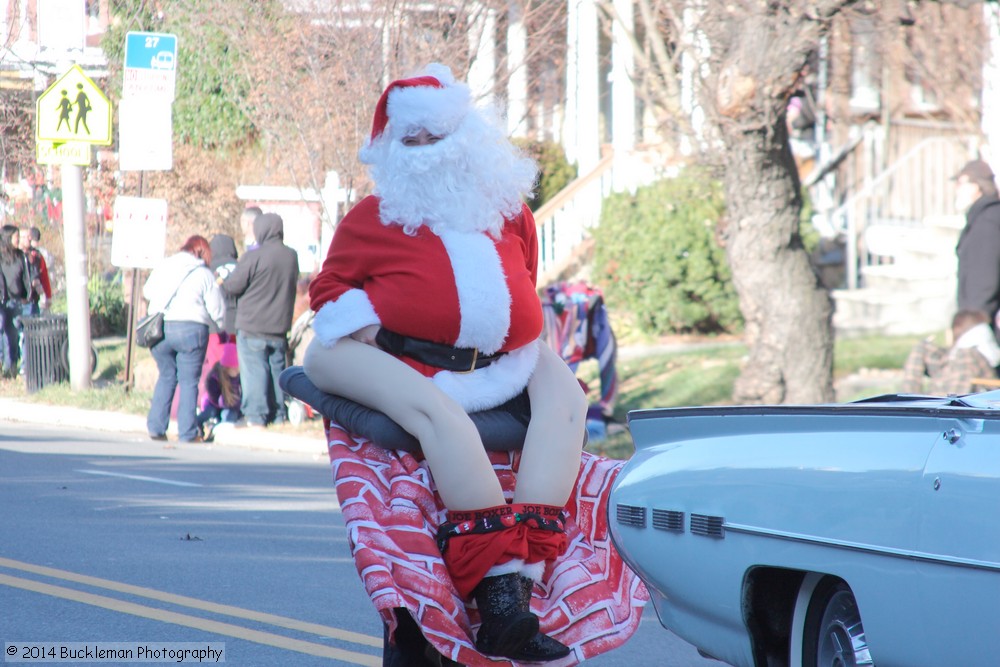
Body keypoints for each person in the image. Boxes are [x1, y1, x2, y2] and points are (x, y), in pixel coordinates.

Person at [302, 64, 586, 662]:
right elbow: (328, 291)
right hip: (399, 359)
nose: (427, 152)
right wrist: (381, 334)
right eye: (412, 141)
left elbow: (524, 283)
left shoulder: (510, 214)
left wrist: (504, 336)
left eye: (438, 138)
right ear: (391, 149)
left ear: (467, 137)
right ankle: (498, 597)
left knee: (569, 399)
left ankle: (519, 589)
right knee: (440, 419)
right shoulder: (372, 217)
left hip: (500, 359)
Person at [143, 235, 225, 442]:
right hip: (191, 329)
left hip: (159, 329)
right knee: (189, 381)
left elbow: (147, 291)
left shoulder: (164, 265)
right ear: (201, 253)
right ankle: (187, 432)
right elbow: (217, 310)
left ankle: (156, 427)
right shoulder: (203, 273)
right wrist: (221, 325)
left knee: (166, 375)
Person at [222, 212, 298, 427]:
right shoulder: (291, 256)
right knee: (276, 371)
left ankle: (255, 416)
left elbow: (233, 286)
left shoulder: (253, 256)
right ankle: (278, 414)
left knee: (255, 371)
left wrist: (225, 280)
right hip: (279, 327)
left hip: (253, 324)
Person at [902, 309, 1000, 395]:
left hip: (952, 404)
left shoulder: (968, 355)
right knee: (922, 347)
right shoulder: (956, 356)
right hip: (945, 400)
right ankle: (908, 399)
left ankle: (909, 400)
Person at [954, 159, 1000, 325]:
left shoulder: (988, 221)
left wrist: (971, 325)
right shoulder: (981, 217)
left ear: (976, 186)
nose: (956, 189)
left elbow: (985, 281)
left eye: (960, 183)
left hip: (982, 322)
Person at [0, 225, 30, 377]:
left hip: (20, 301)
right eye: (15, 236)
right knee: (7, 336)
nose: (18, 239)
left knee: (22, 335)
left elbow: (26, 277)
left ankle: (22, 367)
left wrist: (28, 294)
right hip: (5, 303)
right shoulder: (1, 257)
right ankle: (8, 368)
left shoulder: (21, 256)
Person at [196, 342, 242, 441]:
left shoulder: (241, 377)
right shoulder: (215, 377)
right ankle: (197, 424)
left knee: (229, 415)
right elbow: (213, 396)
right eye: (233, 369)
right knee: (210, 412)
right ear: (227, 367)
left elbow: (240, 396)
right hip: (214, 404)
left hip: (231, 405)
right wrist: (221, 402)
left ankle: (216, 430)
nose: (236, 371)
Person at [17, 227, 51, 316]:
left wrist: (48, 296)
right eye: (24, 237)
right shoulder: (14, 256)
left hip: (33, 300)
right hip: (18, 302)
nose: (28, 239)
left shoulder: (37, 255)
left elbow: (44, 276)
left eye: (29, 236)